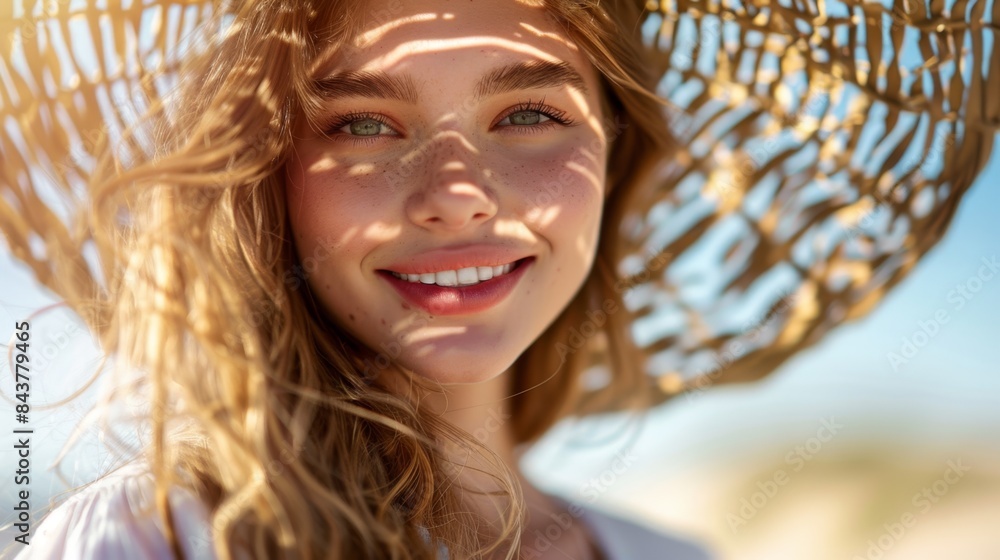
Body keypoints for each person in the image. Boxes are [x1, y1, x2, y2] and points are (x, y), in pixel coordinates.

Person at [1, 0, 997, 558]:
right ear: (271, 180)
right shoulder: (153, 541)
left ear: (615, 153)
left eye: (527, 113)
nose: (455, 196)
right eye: (361, 122)